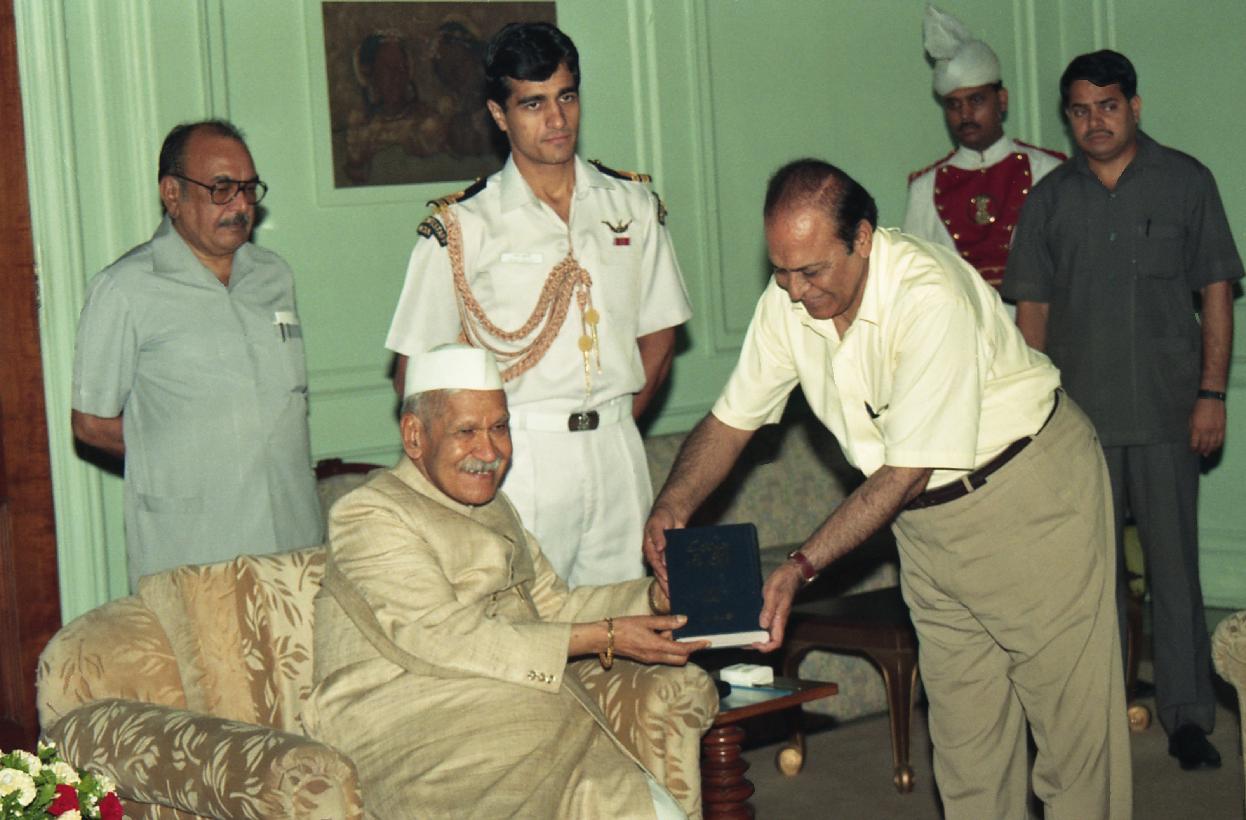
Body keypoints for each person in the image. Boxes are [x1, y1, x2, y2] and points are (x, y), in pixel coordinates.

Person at [645, 159, 1131, 818]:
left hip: (1028, 498)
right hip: (925, 526)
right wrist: (673, 502)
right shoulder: (789, 302)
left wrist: (798, 567)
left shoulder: (928, 296)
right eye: (781, 271)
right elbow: (731, 422)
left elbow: (905, 471)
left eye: (811, 271)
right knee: (966, 748)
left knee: (1074, 747)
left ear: (864, 238)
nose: (794, 290)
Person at [304, 345, 710, 819]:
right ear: (414, 436)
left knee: (640, 805)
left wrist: (653, 599)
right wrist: (605, 637)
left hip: (518, 711)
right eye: (466, 432)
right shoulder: (370, 512)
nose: (489, 451)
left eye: (499, 427)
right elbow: (438, 634)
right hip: (416, 723)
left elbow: (553, 607)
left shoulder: (495, 507)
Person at [385, 21, 692, 586]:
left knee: (622, 616)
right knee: (522, 619)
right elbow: (415, 374)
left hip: (617, 448)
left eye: (566, 97)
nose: (556, 119)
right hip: (518, 456)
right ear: (499, 115)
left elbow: (659, 334)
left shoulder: (631, 205)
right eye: (533, 104)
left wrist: (612, 425)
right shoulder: (463, 226)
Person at [1003, 49, 1240, 771]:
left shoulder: (1187, 182)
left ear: (1134, 107)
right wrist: (1032, 425)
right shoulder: (1049, 200)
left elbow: (1217, 295)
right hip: (1078, 424)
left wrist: (1212, 395)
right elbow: (1032, 316)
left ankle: (1187, 717)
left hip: (1170, 413)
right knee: (1088, 582)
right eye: (1080, 110)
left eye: (1108, 105)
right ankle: (1096, 717)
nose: (1094, 121)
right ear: (1067, 117)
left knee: (1174, 571)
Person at [71, 120, 323, 590]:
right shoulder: (124, 288)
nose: (241, 205)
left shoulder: (274, 275)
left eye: (248, 189)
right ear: (173, 193)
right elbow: (91, 424)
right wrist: (185, 455)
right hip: (195, 548)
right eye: (222, 189)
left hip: (294, 536)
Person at [903, 4, 1064, 297]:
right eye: (954, 105)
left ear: (1001, 100)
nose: (965, 114)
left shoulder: (1049, 171)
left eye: (976, 100)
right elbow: (916, 284)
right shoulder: (924, 188)